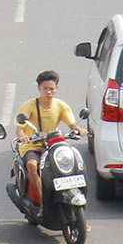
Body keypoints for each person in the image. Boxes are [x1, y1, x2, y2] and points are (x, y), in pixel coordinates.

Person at [16, 70, 84, 205]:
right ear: (39, 89)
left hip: (53, 145)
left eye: (51, 89)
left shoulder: (60, 106)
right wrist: (23, 136)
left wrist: (80, 130)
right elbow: (19, 128)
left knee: (72, 164)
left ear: (56, 89)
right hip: (33, 145)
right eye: (45, 89)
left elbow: (72, 125)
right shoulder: (30, 105)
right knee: (32, 165)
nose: (48, 92)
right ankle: (43, 203)